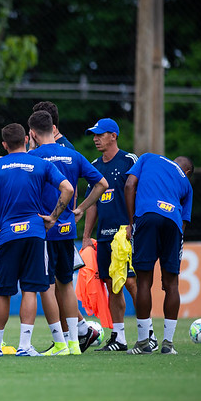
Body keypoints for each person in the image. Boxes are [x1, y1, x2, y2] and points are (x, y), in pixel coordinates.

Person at [0, 123, 73, 357]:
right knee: (30, 290)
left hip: (6, 235)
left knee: (3, 292)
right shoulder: (41, 164)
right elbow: (67, 188)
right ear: (26, 139)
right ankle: (25, 346)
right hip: (34, 233)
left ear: (4, 145)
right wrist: (53, 217)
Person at [27, 110, 107, 356]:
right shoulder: (73, 155)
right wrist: (81, 208)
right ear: (53, 129)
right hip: (67, 231)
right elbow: (102, 184)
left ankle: (59, 343)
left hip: (45, 231)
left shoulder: (33, 157)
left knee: (47, 287)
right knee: (66, 285)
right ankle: (74, 343)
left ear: (32, 133)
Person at [80, 118, 156, 352]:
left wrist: (136, 225)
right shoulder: (94, 165)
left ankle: (148, 334)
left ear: (113, 135)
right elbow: (92, 204)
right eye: (94, 134)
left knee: (132, 282)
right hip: (104, 236)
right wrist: (86, 236)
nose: (96, 138)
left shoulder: (129, 160)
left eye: (100, 134)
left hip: (126, 234)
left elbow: (143, 192)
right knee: (112, 284)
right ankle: (119, 338)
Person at [125, 153, 194, 355]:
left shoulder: (148, 158)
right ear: (187, 172)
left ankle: (143, 343)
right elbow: (183, 223)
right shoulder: (187, 185)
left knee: (144, 282)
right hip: (173, 221)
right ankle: (168, 345)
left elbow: (130, 185)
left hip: (147, 215)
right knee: (172, 285)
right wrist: (170, 264)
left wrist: (131, 223)